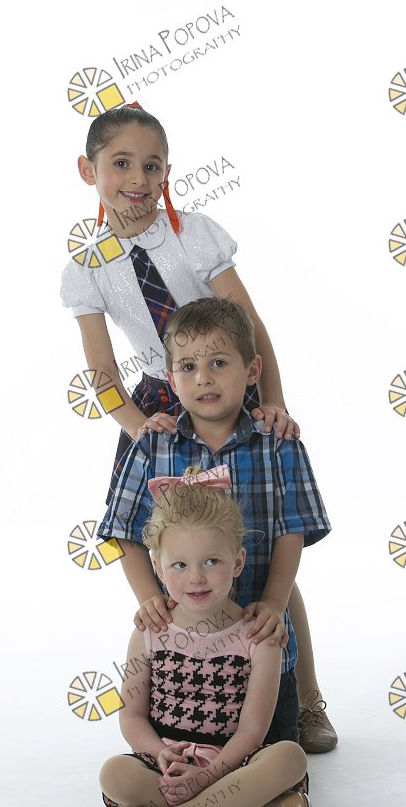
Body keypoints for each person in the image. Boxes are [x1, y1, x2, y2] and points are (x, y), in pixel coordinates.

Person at [60, 103, 337, 751]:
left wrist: (272, 401)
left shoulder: (194, 235)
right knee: (181, 553)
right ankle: (191, 708)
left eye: (151, 165)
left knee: (262, 552)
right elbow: (101, 370)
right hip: (163, 407)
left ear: (167, 171)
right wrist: (143, 428)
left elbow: (251, 325)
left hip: (227, 386)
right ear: (88, 170)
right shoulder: (86, 266)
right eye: (121, 163)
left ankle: (304, 700)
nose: (138, 178)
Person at [97, 296, 331, 756]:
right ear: (171, 379)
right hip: (182, 664)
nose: (203, 378)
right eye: (188, 367)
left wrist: (272, 603)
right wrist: (148, 598)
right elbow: (123, 531)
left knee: (277, 759)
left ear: (252, 370)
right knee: (174, 760)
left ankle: (249, 777)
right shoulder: (153, 446)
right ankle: (201, 789)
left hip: (261, 651)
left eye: (219, 363)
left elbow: (293, 531)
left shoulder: (278, 444)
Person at [99, 466, 311, 807]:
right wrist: (160, 753)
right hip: (167, 764)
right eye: (180, 565)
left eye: (212, 561)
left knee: (289, 757)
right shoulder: (149, 632)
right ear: (159, 568)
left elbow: (252, 731)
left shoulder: (257, 637)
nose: (196, 577)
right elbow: (131, 717)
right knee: (114, 773)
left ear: (238, 562)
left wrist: (208, 776)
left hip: (233, 765)